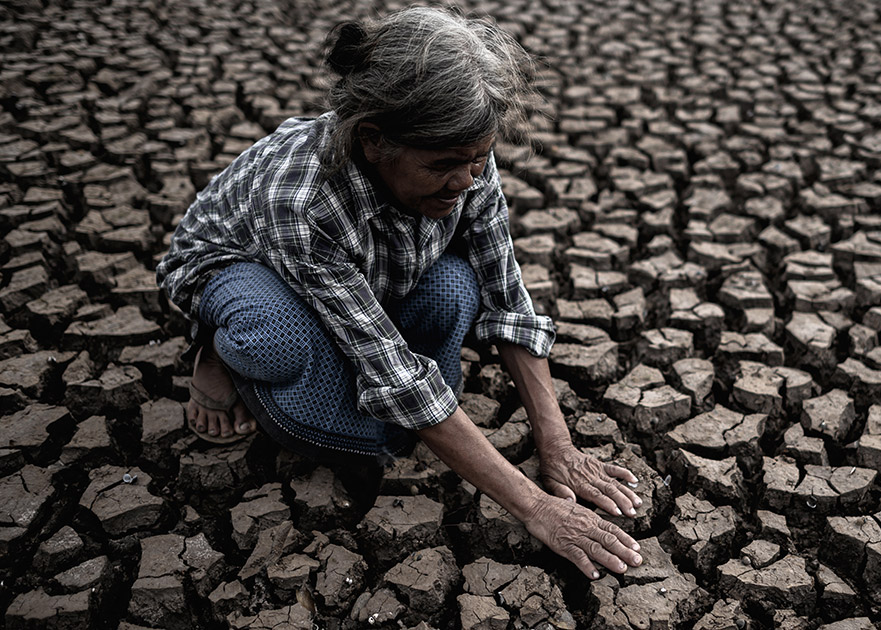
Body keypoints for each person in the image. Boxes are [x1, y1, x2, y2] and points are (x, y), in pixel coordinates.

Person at [156, 7, 642, 580]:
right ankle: (216, 348)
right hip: (243, 270)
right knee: (292, 361)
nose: (466, 182)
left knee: (457, 289)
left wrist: (556, 445)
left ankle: (333, 351)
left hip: (362, 278)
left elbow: (507, 299)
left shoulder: (464, 162)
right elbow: (396, 374)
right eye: (442, 166)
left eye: (478, 160)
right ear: (375, 141)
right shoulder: (302, 199)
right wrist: (536, 507)